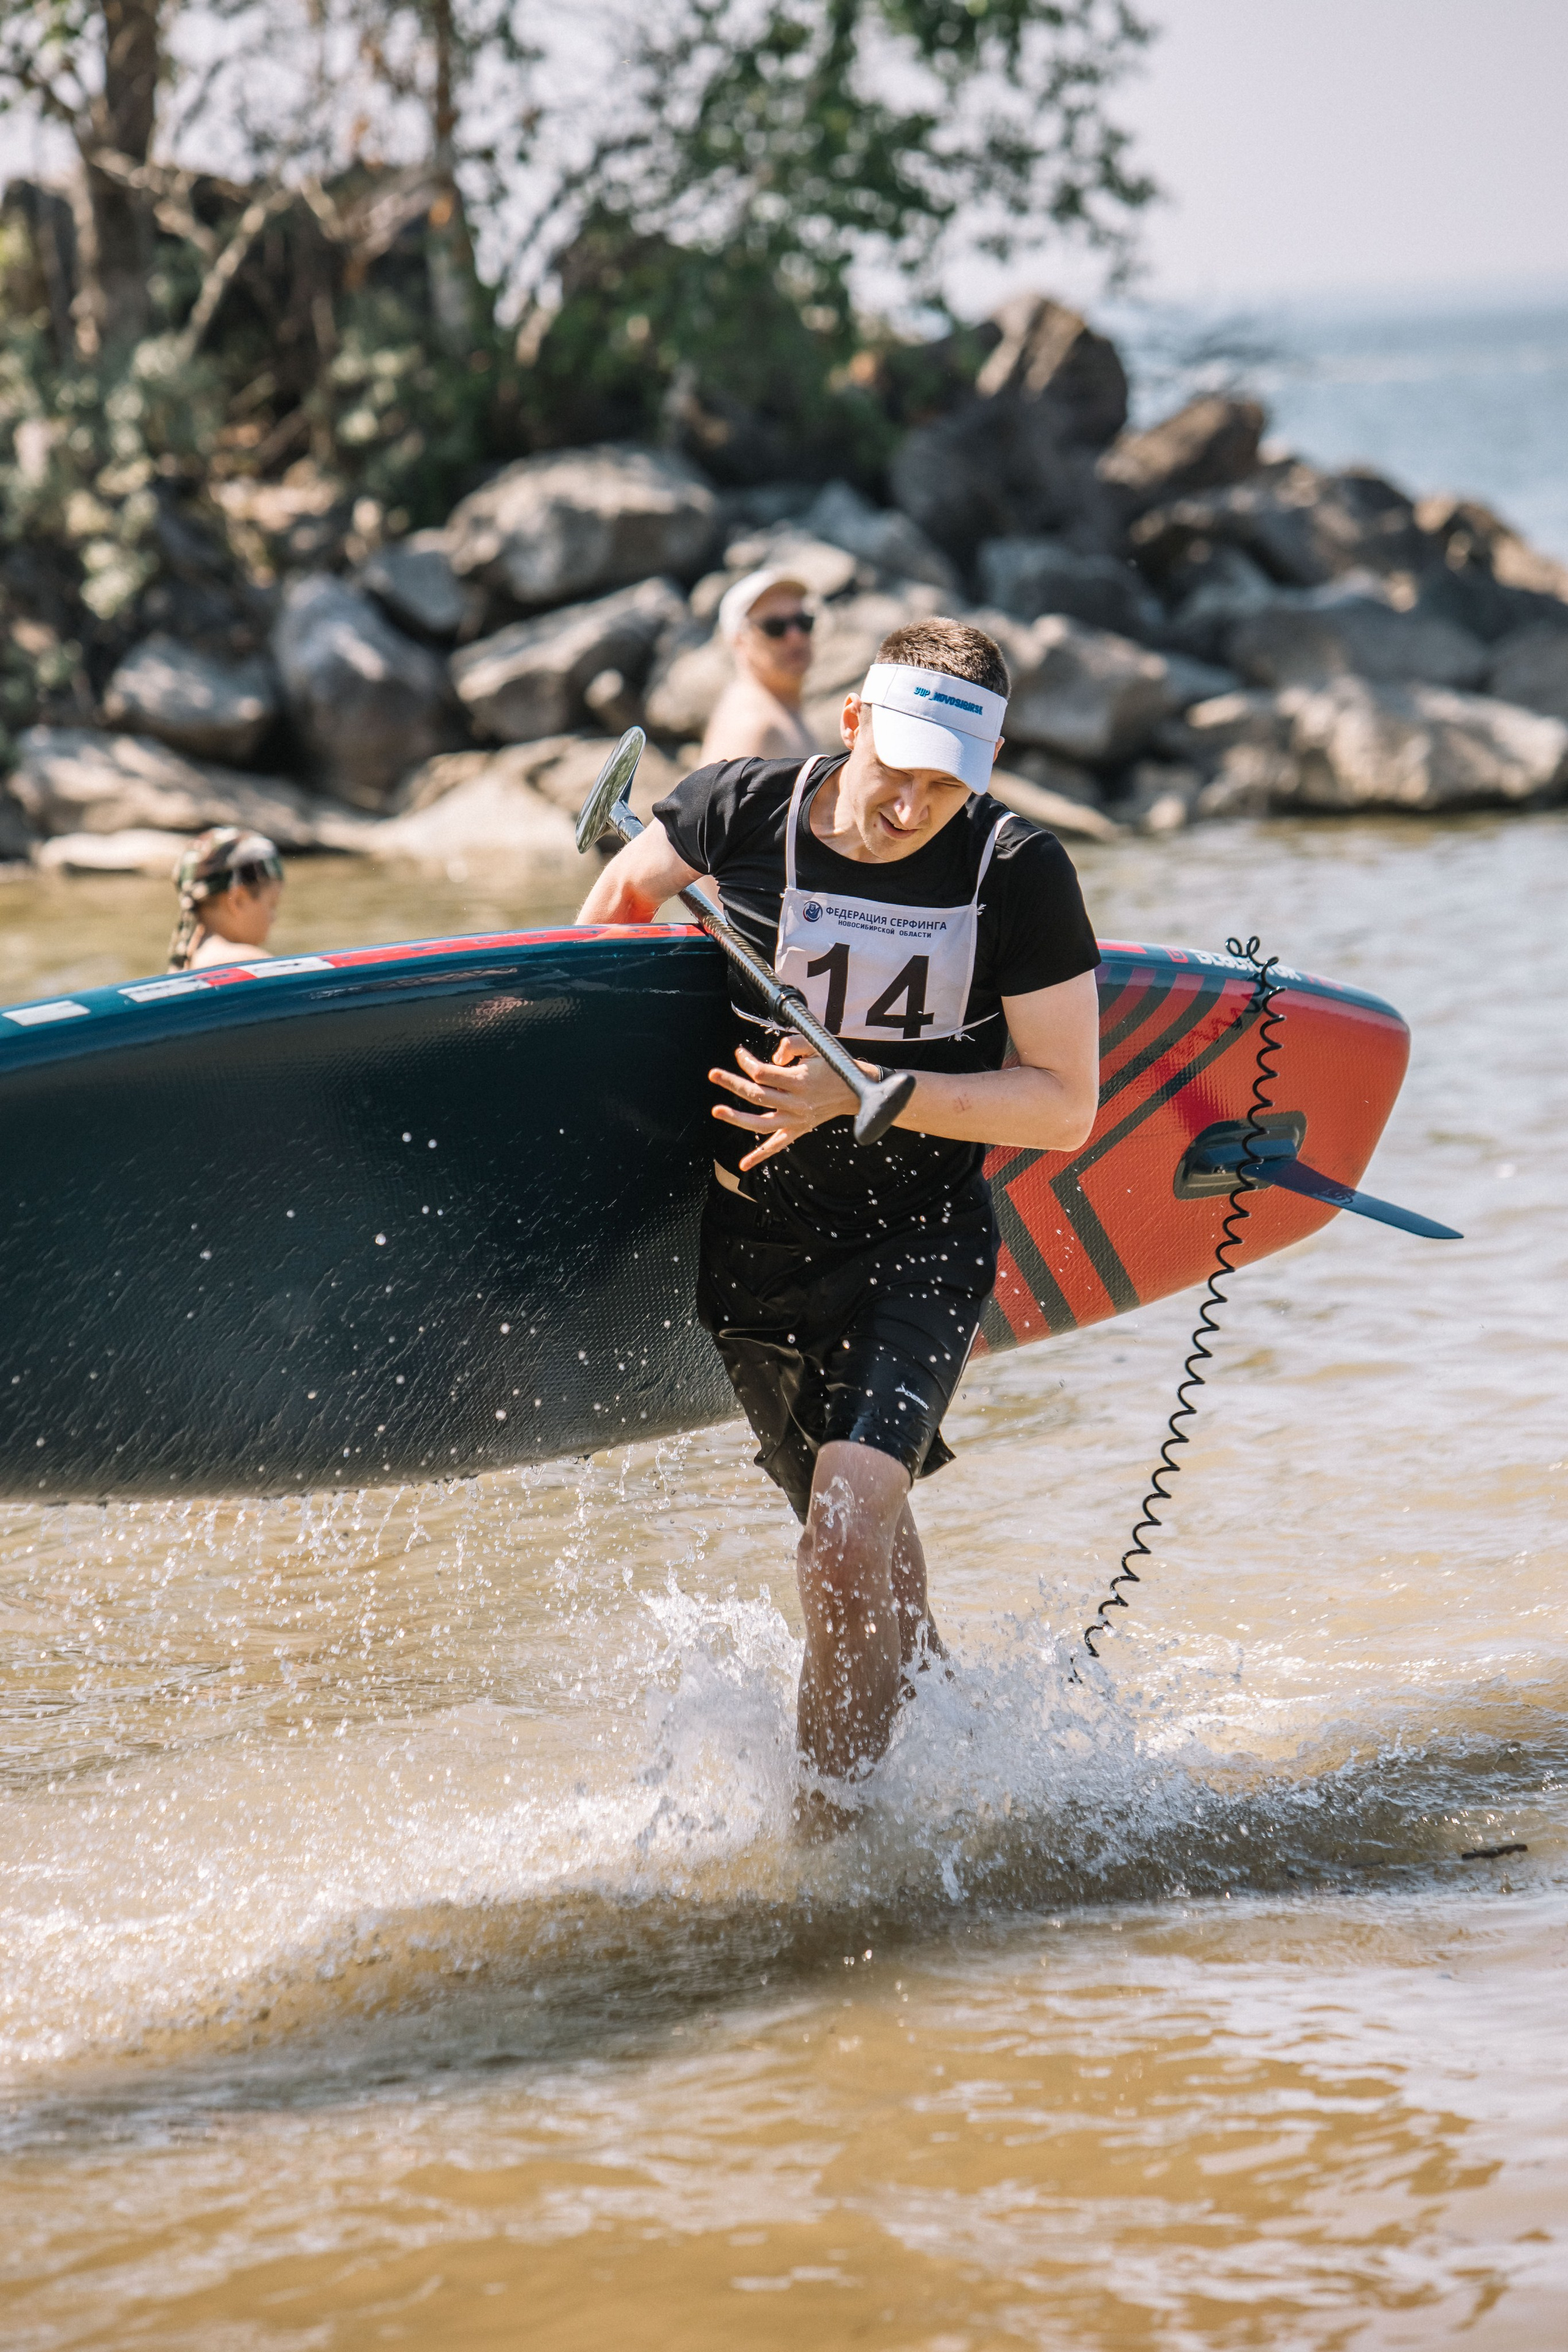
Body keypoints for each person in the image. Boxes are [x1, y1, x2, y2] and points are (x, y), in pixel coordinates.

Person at [579, 617, 1101, 1825]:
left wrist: (874, 1094)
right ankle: (962, 1764)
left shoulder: (1014, 873)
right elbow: (615, 903)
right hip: (752, 1248)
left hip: (917, 1236)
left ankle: (834, 1854)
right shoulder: (736, 809)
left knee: (838, 1538)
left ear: (989, 763)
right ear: (852, 720)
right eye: (894, 769)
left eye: (944, 784)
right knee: (857, 1543)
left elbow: (1063, 1106)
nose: (911, 805)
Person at [698, 568, 819, 764]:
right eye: (775, 627)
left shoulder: (778, 712)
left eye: (803, 622)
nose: (795, 636)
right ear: (739, 640)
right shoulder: (754, 728)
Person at [167, 827, 285, 971]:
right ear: (238, 900)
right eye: (272, 904)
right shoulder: (245, 962)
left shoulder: (188, 958)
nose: (274, 918)